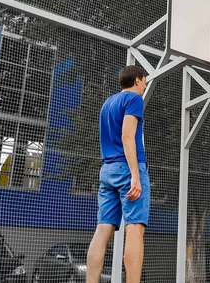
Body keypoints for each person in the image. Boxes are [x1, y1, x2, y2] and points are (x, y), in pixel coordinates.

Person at [86, 65, 150, 283]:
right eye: (145, 80)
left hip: (107, 171)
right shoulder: (134, 100)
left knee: (103, 229)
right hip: (127, 168)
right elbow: (127, 136)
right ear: (138, 80)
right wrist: (135, 175)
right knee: (135, 228)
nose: (145, 85)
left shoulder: (108, 103)